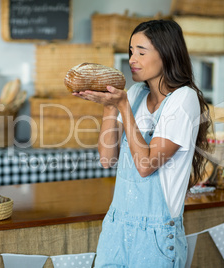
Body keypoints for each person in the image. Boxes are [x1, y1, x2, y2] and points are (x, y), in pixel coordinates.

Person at [73, 19, 211, 268]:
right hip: (116, 227)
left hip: (155, 237)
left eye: (141, 51)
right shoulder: (135, 94)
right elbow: (106, 160)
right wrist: (109, 108)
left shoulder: (183, 99)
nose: (132, 59)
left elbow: (146, 165)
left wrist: (123, 107)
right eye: (130, 51)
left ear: (167, 53)